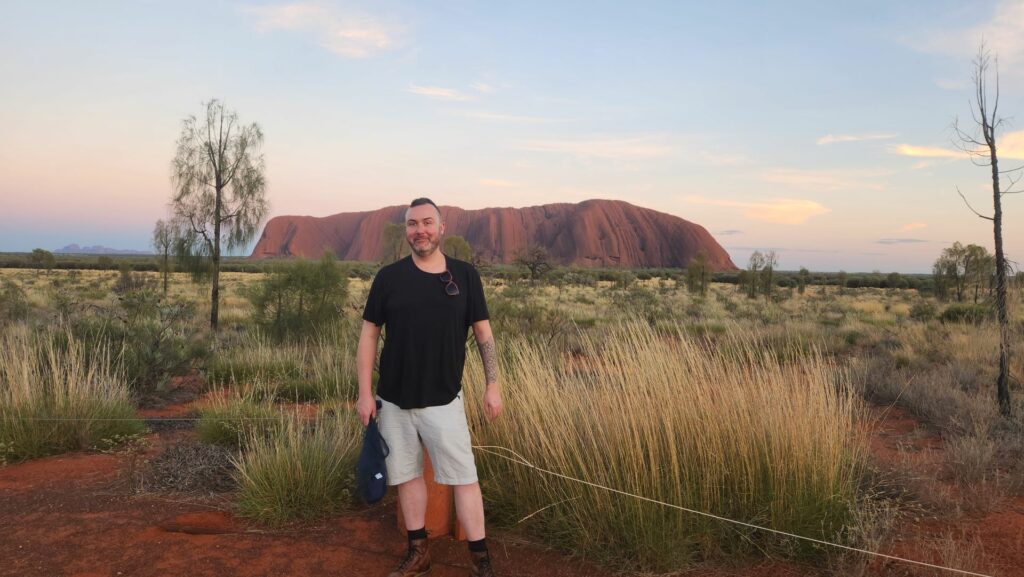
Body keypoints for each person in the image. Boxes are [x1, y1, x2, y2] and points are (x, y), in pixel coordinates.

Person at [357, 197, 503, 577]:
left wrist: (493, 384)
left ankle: (481, 562)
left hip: (444, 400)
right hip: (393, 400)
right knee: (406, 477)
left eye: (426, 222)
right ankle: (418, 552)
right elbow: (369, 334)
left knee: (465, 480)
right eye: (411, 224)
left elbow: (483, 333)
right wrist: (364, 392)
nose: (419, 230)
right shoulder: (388, 278)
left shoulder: (465, 275)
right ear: (406, 231)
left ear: (441, 229)